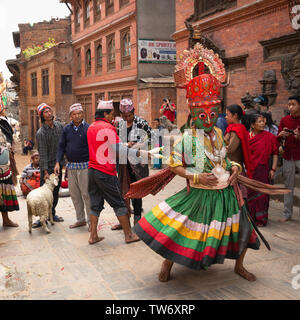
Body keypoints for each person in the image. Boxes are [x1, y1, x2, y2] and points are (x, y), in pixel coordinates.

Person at [132, 54, 260, 283]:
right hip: (200, 195)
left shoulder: (220, 133)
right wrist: (196, 175)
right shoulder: (189, 139)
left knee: (243, 231)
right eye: (203, 116)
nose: (209, 120)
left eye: (212, 115)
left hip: (227, 195)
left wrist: (236, 168)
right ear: (194, 116)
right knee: (179, 231)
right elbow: (175, 165)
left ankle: (239, 266)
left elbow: (225, 160)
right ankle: (167, 263)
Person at [87, 100, 149, 245]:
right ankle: (129, 235)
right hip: (106, 171)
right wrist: (138, 152)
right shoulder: (108, 127)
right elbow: (117, 150)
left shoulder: (91, 127)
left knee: (95, 203)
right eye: (111, 114)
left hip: (92, 170)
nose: (112, 117)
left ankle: (93, 236)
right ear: (105, 114)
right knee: (119, 203)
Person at [112, 98, 154, 228]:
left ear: (133, 112)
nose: (127, 118)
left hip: (138, 163)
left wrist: (139, 145)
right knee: (124, 191)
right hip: (123, 163)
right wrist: (126, 144)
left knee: (137, 191)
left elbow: (152, 139)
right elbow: (116, 143)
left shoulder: (142, 123)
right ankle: (125, 220)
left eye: (129, 115)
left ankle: (137, 221)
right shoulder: (120, 125)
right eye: (124, 116)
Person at [54, 103, 91, 230]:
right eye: (74, 114)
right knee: (75, 194)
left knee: (86, 195)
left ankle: (92, 222)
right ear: (71, 116)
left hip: (86, 166)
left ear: (83, 114)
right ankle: (80, 219)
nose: (77, 116)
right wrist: (58, 162)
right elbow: (61, 146)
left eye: (79, 113)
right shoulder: (66, 129)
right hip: (71, 167)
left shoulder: (88, 128)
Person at [32, 103, 64, 228]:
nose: (49, 113)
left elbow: (63, 145)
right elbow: (43, 153)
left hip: (58, 165)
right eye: (45, 112)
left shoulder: (59, 127)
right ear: (42, 116)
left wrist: (62, 163)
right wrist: (45, 172)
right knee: (44, 194)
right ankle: (41, 219)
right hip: (47, 167)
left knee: (55, 192)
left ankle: (52, 213)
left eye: (49, 110)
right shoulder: (41, 133)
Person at [248, 113, 279, 226]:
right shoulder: (247, 137)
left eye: (263, 121)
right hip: (250, 171)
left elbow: (275, 154)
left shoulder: (269, 137)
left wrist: (273, 169)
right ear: (252, 125)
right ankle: (251, 218)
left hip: (263, 170)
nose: (263, 123)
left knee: (262, 196)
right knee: (250, 194)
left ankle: (261, 219)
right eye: (259, 122)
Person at [277, 95, 300, 223]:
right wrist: (281, 135)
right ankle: (287, 213)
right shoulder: (284, 120)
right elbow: (278, 137)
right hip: (287, 156)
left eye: (293, 104)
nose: (290, 107)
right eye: (289, 104)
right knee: (288, 185)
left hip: (299, 155)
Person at [0, 105, 19, 227]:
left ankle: (6, 220)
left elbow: (9, 138)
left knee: (4, 191)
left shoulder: (3, 122)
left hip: (4, 164)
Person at [224, 104, 253, 180]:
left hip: (234, 168)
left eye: (227, 114)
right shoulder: (233, 128)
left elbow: (230, 149)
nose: (225, 117)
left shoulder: (237, 130)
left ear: (235, 115)